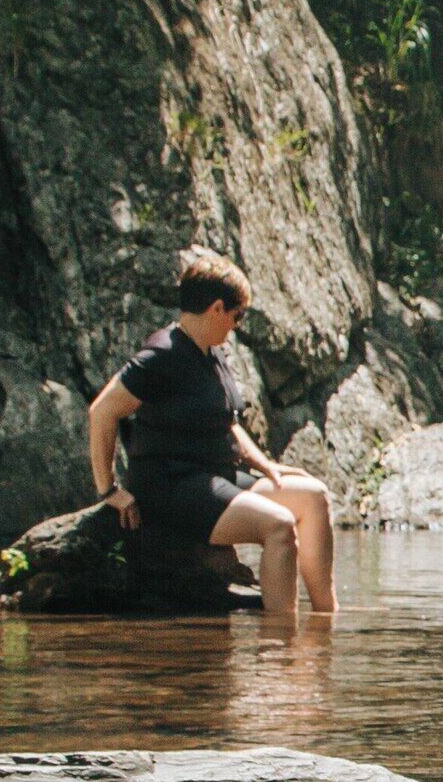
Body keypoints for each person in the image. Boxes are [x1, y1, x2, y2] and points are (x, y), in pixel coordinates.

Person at [86, 245, 338, 620]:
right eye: (236, 316)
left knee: (314, 497)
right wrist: (109, 490)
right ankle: (283, 655)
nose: (236, 325)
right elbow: (102, 411)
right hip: (172, 484)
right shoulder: (161, 355)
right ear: (217, 308)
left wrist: (267, 464)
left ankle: (325, 623)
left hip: (215, 474)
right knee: (279, 527)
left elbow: (229, 422)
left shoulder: (210, 351)